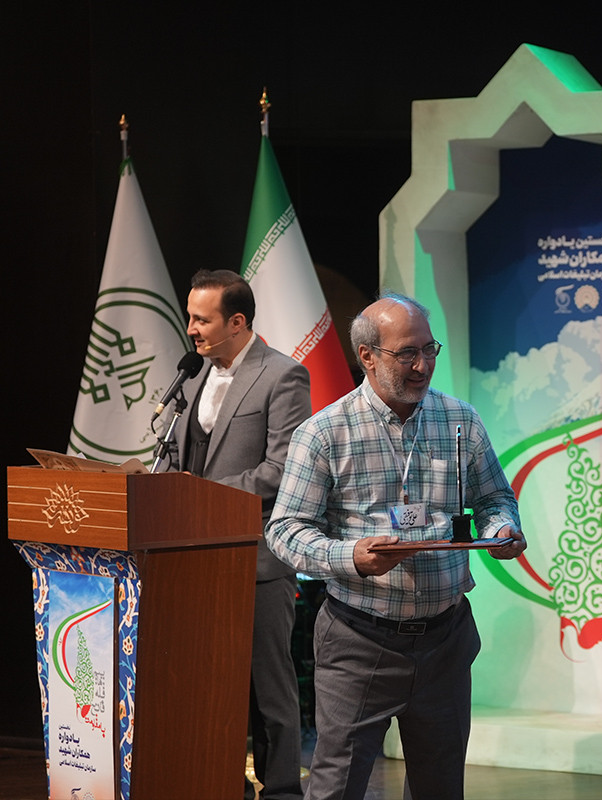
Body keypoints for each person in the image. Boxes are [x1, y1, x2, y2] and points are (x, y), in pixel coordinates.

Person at [264, 292, 526, 800]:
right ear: (367, 356)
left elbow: (495, 498)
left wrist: (500, 531)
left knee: (440, 787)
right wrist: (351, 557)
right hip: (359, 639)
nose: (423, 365)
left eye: (429, 349)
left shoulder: (461, 420)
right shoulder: (324, 432)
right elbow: (285, 530)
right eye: (407, 353)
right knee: (337, 786)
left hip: (445, 638)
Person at [174, 269, 311, 800]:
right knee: (214, 686)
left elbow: (283, 469)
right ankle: (221, 783)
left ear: (237, 322)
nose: (191, 329)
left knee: (267, 687)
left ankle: (281, 790)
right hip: (197, 557)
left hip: (258, 559)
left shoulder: (283, 375)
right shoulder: (192, 376)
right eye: (190, 317)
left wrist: (203, 494)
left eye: (201, 320)